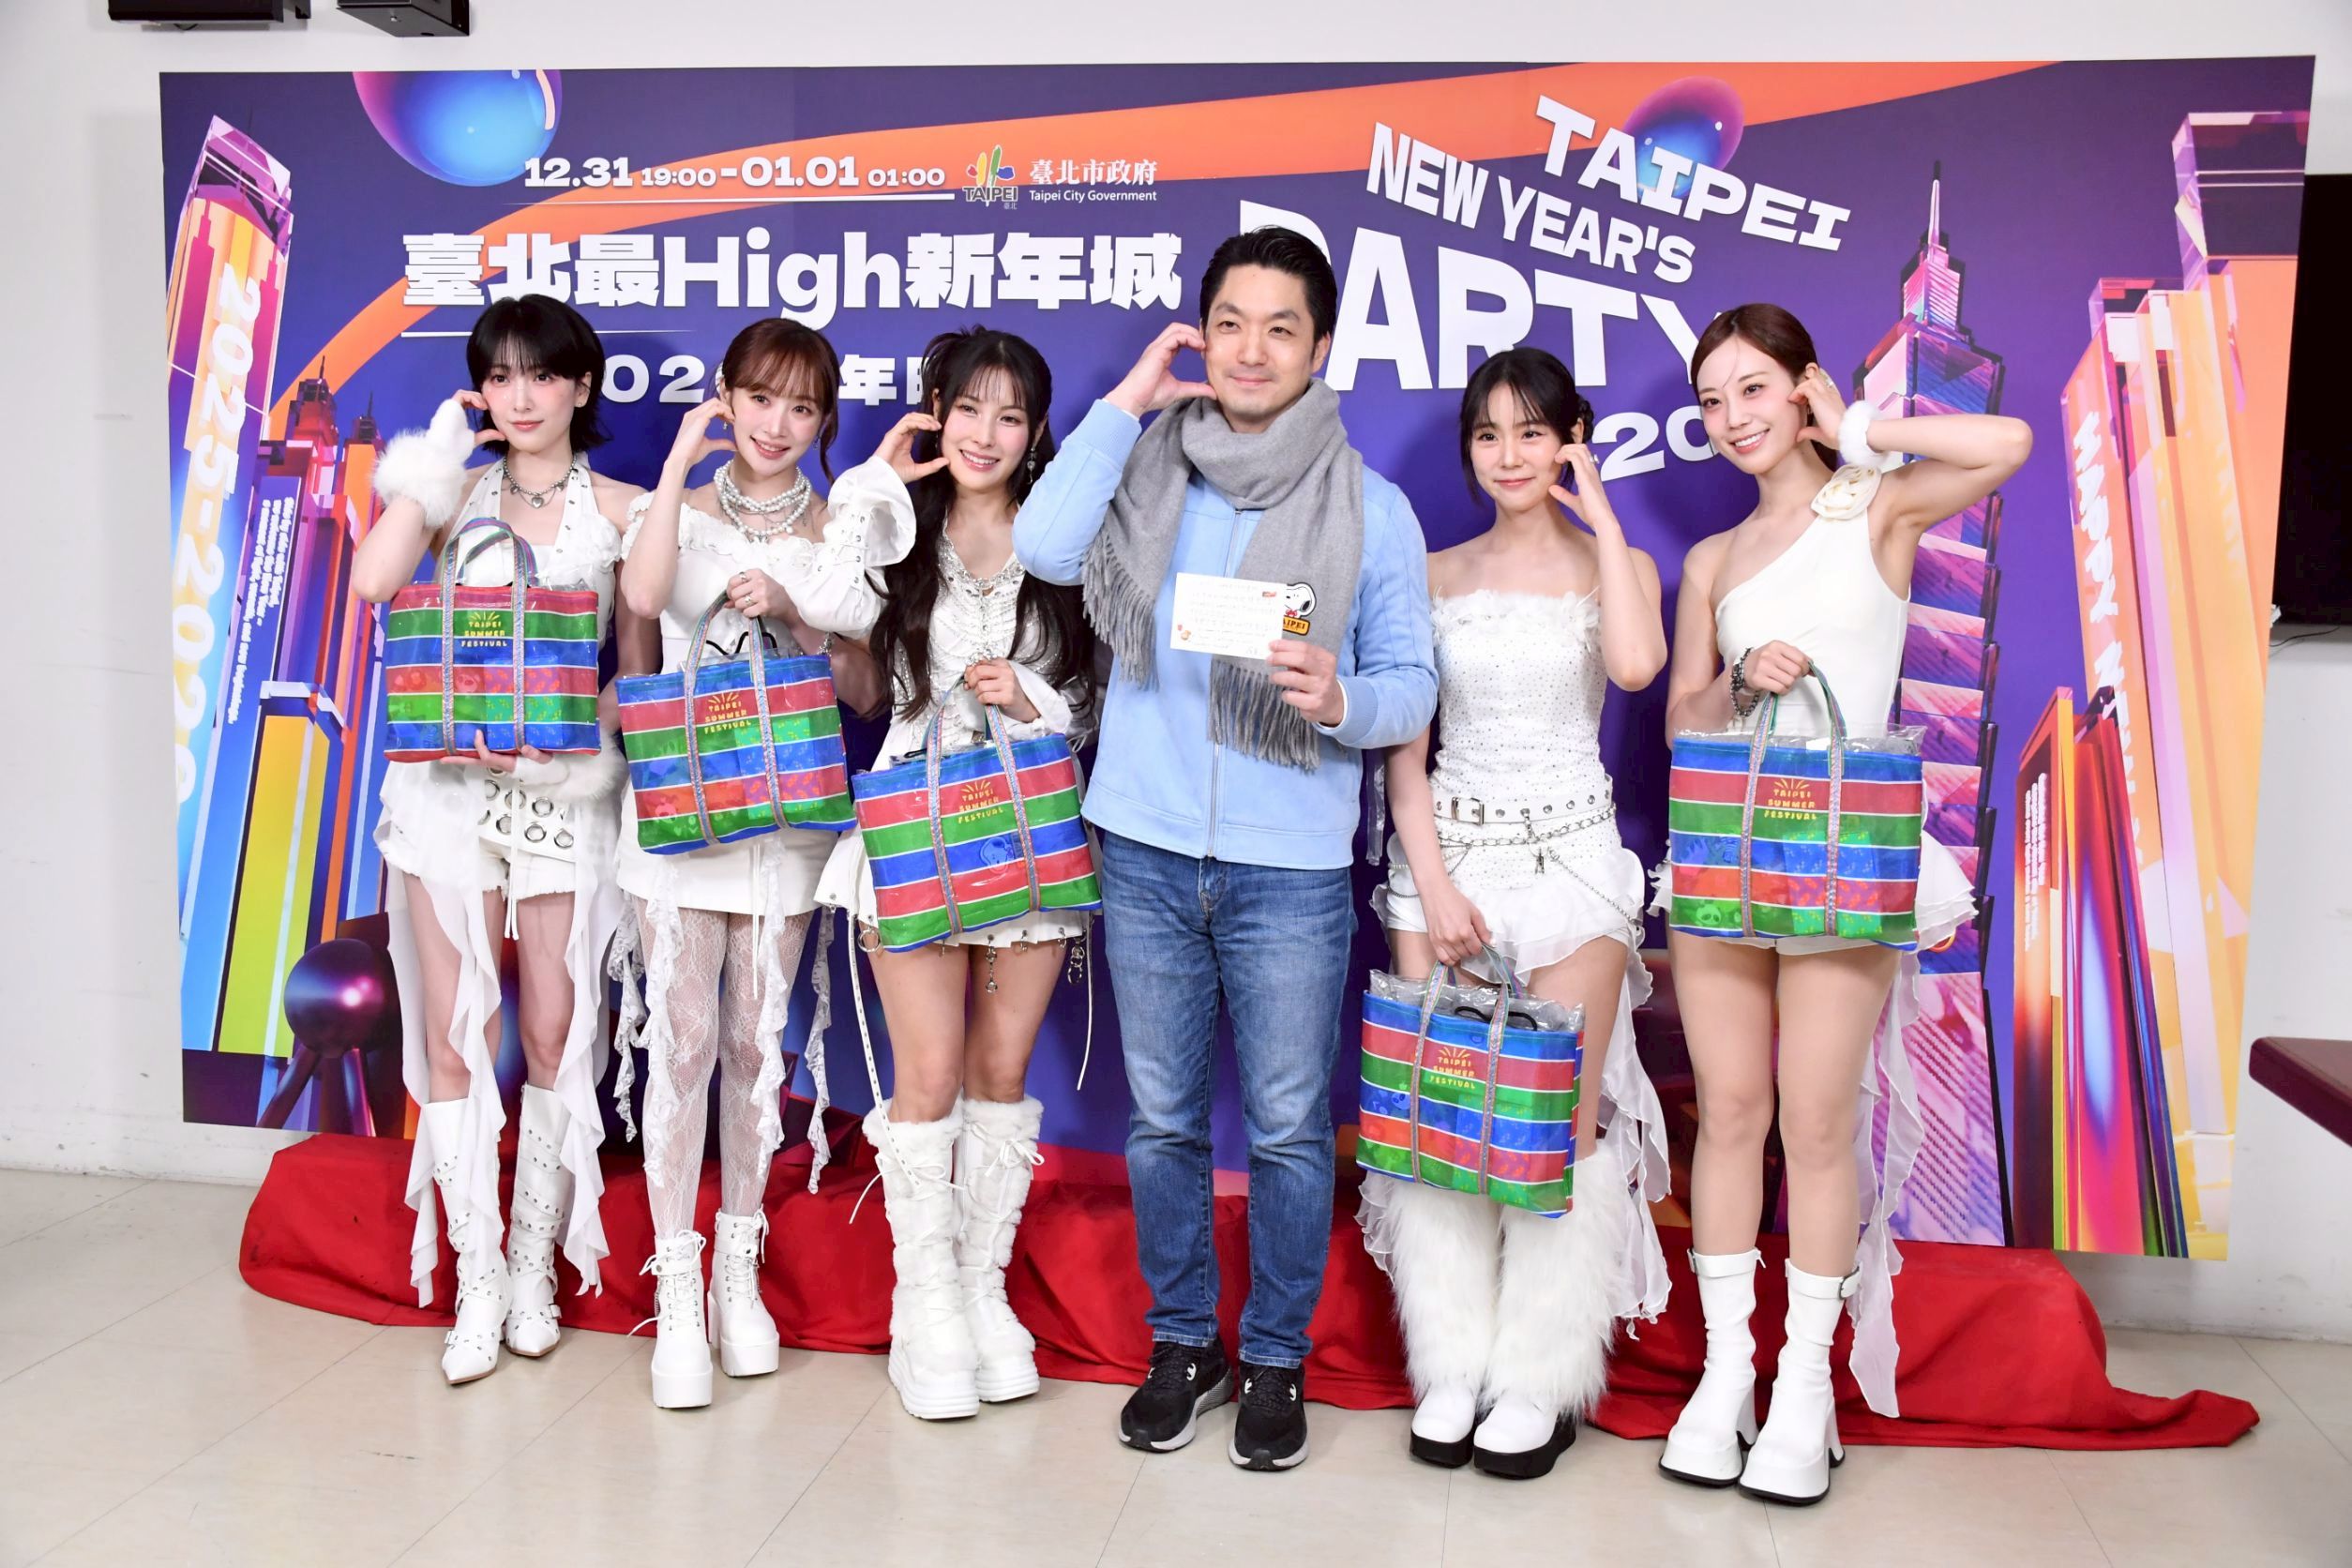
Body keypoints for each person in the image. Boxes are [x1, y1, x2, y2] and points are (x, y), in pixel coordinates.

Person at [1014, 226, 1439, 1470]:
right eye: (1231, 325)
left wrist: (1342, 700)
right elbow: (1043, 549)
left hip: (1289, 868)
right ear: (1202, 336)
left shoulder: (1374, 509)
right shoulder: (1148, 469)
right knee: (1162, 1121)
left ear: (1320, 348)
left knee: (1294, 1126)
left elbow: (1413, 685)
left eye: (1281, 329)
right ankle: (1184, 1342)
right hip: (1143, 845)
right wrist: (1128, 400)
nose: (1252, 351)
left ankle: (1276, 1357)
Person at [1655, 303, 2029, 1503]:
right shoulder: (1711, 561)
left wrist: (1860, 427)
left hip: (1843, 858)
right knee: (1728, 1113)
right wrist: (1736, 681)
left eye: (1754, 389)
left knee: (1817, 1123)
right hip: (1726, 855)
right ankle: (1727, 1375)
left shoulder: (1877, 505)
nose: (1733, 419)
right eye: (1713, 401)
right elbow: (1681, 724)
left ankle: (1805, 1387)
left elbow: (2007, 443)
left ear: (1802, 386)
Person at [1364, 347, 1672, 1479]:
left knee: (1558, 1126)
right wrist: (1437, 885)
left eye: (1533, 432)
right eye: (1489, 434)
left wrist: (1603, 516)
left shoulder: (1614, 567)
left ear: (1570, 440)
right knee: (1441, 1114)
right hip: (1447, 860)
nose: (1509, 455)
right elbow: (1404, 758)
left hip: (1574, 864)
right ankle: (1451, 1363)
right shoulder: (1431, 573)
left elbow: (1636, 667)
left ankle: (1539, 1377)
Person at [612, 319, 906, 1410]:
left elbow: (869, 692)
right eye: (761, 398)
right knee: (681, 1041)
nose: (778, 425)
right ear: (726, 396)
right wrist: (677, 466)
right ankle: (677, 1287)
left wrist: (797, 611)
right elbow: (640, 616)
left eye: (803, 407)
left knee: (752, 1043)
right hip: (681, 815)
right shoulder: (676, 511)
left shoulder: (841, 531)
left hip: (785, 820)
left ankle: (740, 1272)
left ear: (824, 421)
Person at [352, 294, 640, 1385]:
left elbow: (639, 672)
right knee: (455, 1032)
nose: (521, 397)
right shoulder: (454, 492)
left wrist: (566, 741)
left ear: (579, 385)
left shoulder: (619, 509)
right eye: (500, 375)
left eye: (542, 374)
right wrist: (433, 461)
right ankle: (475, 1276)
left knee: (556, 1030)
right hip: (448, 793)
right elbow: (374, 583)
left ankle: (530, 1266)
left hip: (560, 794)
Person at [816, 326, 1099, 1422]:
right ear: (936, 410)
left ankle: (981, 1291)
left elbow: (1102, 694)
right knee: (927, 1071)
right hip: (915, 824)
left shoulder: (1068, 539)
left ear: (1037, 431)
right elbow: (827, 603)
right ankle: (924, 1301)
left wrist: (1035, 698)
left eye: (1009, 415)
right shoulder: (898, 528)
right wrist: (877, 480)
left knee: (999, 1069)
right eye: (967, 408)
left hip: (1031, 825)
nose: (985, 434)